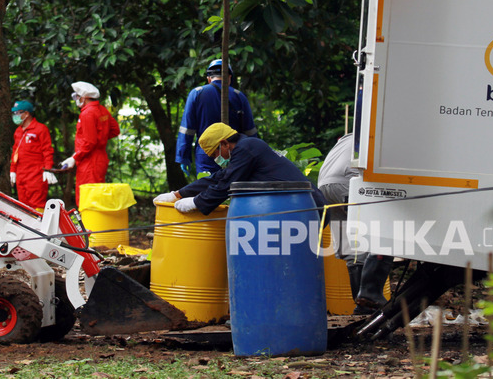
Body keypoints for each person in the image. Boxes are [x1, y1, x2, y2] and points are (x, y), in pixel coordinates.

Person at [156, 123, 324, 215]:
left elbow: (227, 184)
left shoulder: (246, 149)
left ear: (224, 143)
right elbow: (218, 178)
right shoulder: (246, 148)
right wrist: (178, 194)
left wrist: (196, 202)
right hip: (300, 206)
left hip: (305, 207)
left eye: (215, 154)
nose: (216, 160)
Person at [317, 132, 392, 312]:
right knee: (385, 232)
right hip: (349, 183)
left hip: (324, 185)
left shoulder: (353, 135)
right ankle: (369, 296)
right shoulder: (381, 135)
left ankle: (363, 307)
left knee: (353, 251)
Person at [175, 59, 257, 176]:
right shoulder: (239, 96)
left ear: (209, 78)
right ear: (229, 78)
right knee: (233, 189)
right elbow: (250, 132)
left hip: (207, 153)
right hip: (234, 153)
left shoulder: (197, 94)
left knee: (207, 189)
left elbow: (187, 130)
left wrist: (183, 157)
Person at [59, 82, 120, 205]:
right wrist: (100, 138)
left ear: (84, 97)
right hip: (99, 158)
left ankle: (88, 224)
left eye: (77, 96)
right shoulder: (102, 110)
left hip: (89, 161)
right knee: (96, 195)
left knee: (88, 198)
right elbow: (115, 130)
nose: (76, 100)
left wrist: (74, 157)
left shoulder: (87, 113)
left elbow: (89, 142)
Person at [9, 100, 56, 213]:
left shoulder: (40, 129)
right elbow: (15, 151)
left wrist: (48, 169)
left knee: (37, 204)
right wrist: (13, 171)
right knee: (23, 206)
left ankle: (39, 229)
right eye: (14, 113)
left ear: (26, 114)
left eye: (18, 113)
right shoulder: (18, 131)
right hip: (21, 175)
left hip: (36, 175)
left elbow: (47, 150)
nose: (15, 116)